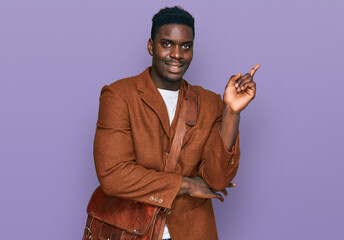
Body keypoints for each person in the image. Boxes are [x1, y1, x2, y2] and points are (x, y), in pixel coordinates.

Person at [92, 6, 260, 240]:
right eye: (167, 44)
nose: (177, 54)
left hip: (193, 232)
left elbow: (217, 180)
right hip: (130, 232)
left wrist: (231, 112)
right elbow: (113, 176)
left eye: (186, 46)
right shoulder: (119, 96)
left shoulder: (211, 103)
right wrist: (187, 185)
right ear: (151, 46)